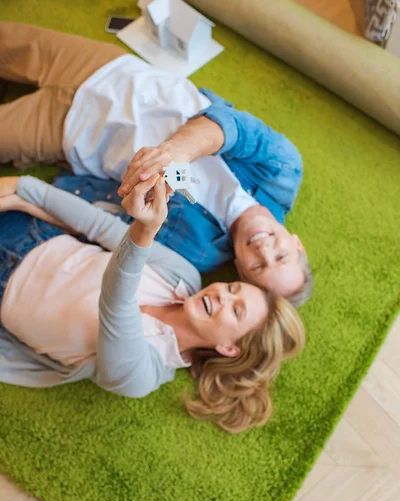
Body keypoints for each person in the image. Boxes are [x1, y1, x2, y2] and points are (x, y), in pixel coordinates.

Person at [0, 22, 313, 306]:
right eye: (281, 256)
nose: (264, 250)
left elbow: (116, 224)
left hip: (72, 135)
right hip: (113, 76)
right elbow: (230, 127)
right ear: (297, 244)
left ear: (242, 271)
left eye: (259, 266)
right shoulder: (283, 172)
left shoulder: (196, 252)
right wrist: (174, 153)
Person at [0, 175, 305, 434]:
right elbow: (101, 227)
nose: (222, 295)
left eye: (236, 310)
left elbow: (115, 305)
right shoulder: (184, 276)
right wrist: (25, 190)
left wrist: (145, 231)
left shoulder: (142, 375)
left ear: (229, 348)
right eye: (231, 287)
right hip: (31, 232)